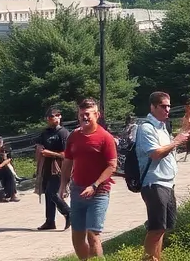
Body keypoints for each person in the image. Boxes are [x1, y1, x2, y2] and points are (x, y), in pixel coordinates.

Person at [134, 91, 190, 261]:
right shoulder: (146, 128)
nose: (167, 110)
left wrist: (182, 138)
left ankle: (156, 258)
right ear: (153, 107)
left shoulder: (162, 127)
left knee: (163, 228)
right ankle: (148, 258)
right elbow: (155, 154)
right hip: (154, 183)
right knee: (156, 227)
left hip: (167, 183)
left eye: (169, 106)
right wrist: (176, 141)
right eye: (163, 106)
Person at [61, 98, 118, 261]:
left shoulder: (105, 137)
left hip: (98, 192)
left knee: (93, 235)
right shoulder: (74, 136)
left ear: (97, 115)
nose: (84, 117)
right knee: (77, 237)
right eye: (81, 114)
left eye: (88, 114)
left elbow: (112, 166)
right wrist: (63, 184)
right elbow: (68, 161)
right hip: (77, 191)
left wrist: (95, 185)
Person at [34, 107, 71, 231]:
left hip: (59, 167)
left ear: (59, 116)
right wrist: (39, 150)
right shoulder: (45, 133)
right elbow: (39, 146)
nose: (50, 119)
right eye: (49, 117)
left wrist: (50, 153)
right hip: (47, 167)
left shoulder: (63, 133)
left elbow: (66, 154)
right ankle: (50, 221)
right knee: (47, 193)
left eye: (53, 116)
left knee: (52, 192)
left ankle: (68, 212)